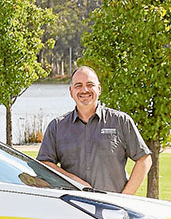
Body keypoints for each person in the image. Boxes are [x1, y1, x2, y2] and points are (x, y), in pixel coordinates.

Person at [37, 66, 151, 194]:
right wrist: (75, 181)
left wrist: (125, 198)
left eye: (90, 85)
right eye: (78, 85)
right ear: (71, 91)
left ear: (99, 88)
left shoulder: (120, 121)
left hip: (113, 208)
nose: (84, 90)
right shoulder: (57, 126)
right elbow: (44, 165)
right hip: (72, 208)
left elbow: (144, 160)